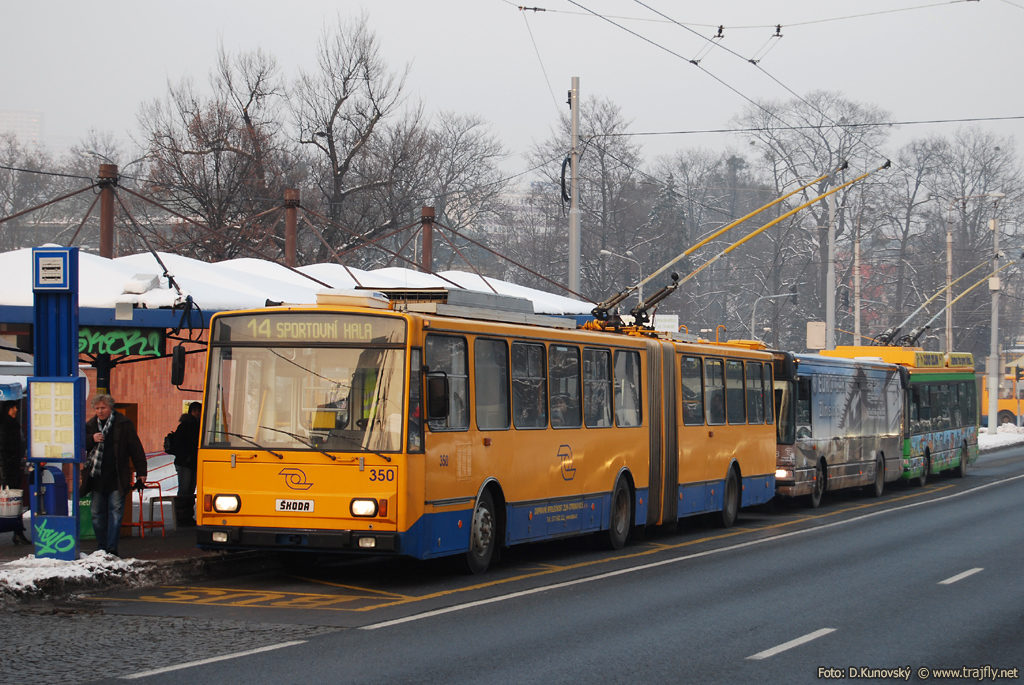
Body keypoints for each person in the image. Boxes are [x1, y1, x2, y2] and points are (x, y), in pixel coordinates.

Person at [82, 394, 147, 557]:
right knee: (97, 514)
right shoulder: (90, 425)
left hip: (117, 476)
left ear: (111, 408)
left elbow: (136, 448)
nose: (100, 411)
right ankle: (101, 546)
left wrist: (141, 472)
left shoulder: (123, 424)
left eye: (103, 408)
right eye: (97, 408)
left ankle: (111, 548)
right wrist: (92, 439)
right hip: (97, 477)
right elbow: (79, 443)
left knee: (115, 513)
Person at [0, 400, 29, 545]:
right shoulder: (4, 427)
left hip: (13, 469)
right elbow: (2, 452)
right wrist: (4, 476)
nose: (16, 410)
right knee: (8, 502)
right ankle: (17, 532)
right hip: (6, 471)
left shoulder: (14, 425)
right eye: (13, 407)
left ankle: (18, 531)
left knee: (16, 501)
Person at [171, 401, 201, 527]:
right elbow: (180, 444)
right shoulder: (186, 426)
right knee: (185, 489)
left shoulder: (199, 426)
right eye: (194, 411)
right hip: (185, 463)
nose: (197, 413)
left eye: (199, 411)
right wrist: (187, 457)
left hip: (192, 462)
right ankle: (181, 516)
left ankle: (188, 515)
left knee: (189, 490)